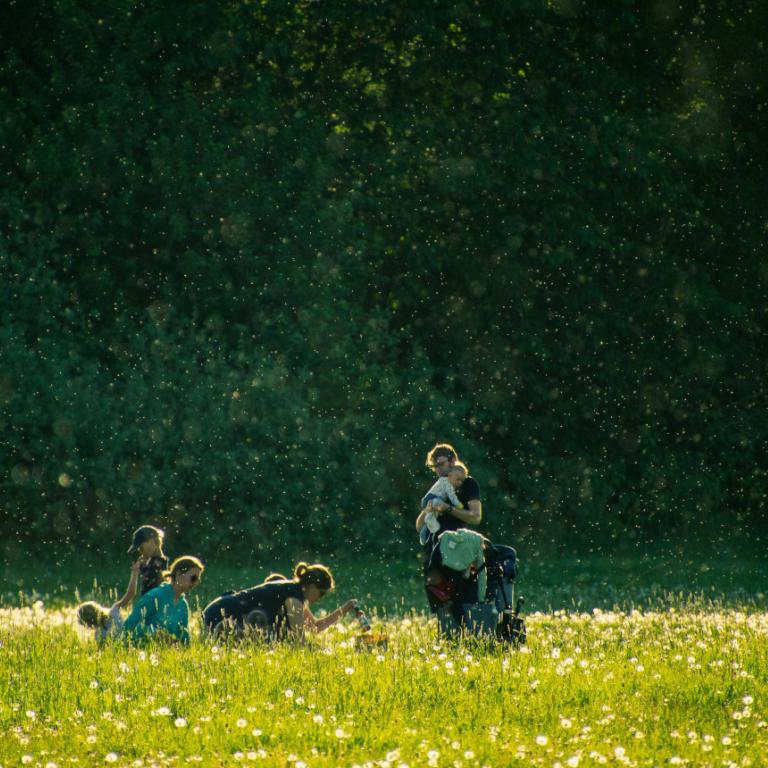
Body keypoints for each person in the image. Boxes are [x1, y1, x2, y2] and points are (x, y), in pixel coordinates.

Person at [202, 562, 357, 640]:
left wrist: (345, 609)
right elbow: (299, 640)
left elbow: (315, 627)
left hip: (220, 608)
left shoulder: (296, 593)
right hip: (223, 613)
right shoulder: (293, 597)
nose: (320, 598)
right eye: (321, 593)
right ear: (311, 586)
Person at [122, 556, 204, 645]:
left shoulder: (183, 605)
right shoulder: (155, 596)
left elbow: (185, 640)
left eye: (198, 580)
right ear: (179, 574)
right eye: (193, 578)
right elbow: (128, 626)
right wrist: (154, 634)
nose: (195, 583)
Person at [76, 557, 144, 641]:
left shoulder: (99, 636)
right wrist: (134, 573)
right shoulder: (114, 611)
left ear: (88, 624)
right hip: (135, 640)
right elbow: (131, 593)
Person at [418, 463, 468, 545]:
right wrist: (459, 505)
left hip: (430, 500)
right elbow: (452, 497)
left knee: (434, 518)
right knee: (435, 514)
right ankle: (429, 524)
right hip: (431, 499)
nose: (460, 483)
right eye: (458, 479)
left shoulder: (443, 480)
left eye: (461, 481)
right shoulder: (446, 483)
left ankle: (425, 533)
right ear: (450, 476)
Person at [126, 525, 169, 598]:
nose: (140, 551)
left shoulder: (158, 564)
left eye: (141, 547)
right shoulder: (148, 563)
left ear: (152, 542)